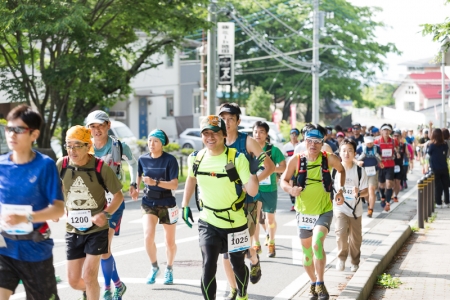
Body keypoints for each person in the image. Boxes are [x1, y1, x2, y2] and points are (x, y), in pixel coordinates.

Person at [181, 115, 261, 300]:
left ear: (224, 134)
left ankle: (242, 295)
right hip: (208, 221)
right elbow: (191, 179)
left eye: (214, 133)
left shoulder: (236, 158)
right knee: (208, 264)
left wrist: (253, 173)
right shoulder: (196, 158)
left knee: (237, 264)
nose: (210, 137)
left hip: (236, 222)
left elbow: (252, 190)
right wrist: (185, 205)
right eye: (206, 133)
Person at [0, 105, 65, 300]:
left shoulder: (45, 165)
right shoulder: (1, 165)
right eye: (9, 129)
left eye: (19, 130)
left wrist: (26, 217)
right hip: (4, 248)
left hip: (36, 250)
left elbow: (58, 210)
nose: (12, 134)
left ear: (34, 134)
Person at [57, 126, 124, 300]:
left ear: (88, 146)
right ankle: (91, 290)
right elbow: (52, 189)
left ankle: (92, 288)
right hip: (73, 229)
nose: (72, 150)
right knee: (73, 281)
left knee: (89, 275)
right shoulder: (62, 164)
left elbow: (118, 196)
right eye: (68, 145)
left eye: (77, 145)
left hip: (96, 229)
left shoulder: (101, 167)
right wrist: (56, 206)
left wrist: (106, 214)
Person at [280, 123, 346, 300]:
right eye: (310, 141)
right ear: (305, 141)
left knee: (318, 243)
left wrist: (339, 190)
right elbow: (284, 180)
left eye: (317, 141)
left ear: (322, 142)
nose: (313, 145)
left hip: (324, 209)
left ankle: (321, 283)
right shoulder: (296, 159)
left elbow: (341, 170)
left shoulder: (328, 158)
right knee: (307, 253)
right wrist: (290, 190)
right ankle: (312, 282)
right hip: (303, 212)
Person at [218, 103, 275, 299]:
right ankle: (234, 288)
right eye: (223, 119)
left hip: (247, 203)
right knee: (227, 250)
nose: (226, 123)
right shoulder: (216, 141)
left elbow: (269, 166)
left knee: (236, 249)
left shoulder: (247, 142)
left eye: (230, 119)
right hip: (224, 204)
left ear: (238, 121)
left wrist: (252, 182)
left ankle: (252, 261)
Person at [85, 110, 139, 299]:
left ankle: (107, 289)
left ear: (108, 125)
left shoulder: (119, 146)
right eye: (93, 126)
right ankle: (117, 284)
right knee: (96, 249)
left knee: (104, 248)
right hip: (91, 202)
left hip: (113, 201)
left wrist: (133, 184)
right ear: (88, 128)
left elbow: (133, 163)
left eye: (101, 125)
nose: (97, 130)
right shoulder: (85, 147)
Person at [135, 129, 179, 285]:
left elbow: (174, 184)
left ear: (162, 144)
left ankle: (169, 268)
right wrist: (135, 188)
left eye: (155, 141)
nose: (151, 144)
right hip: (149, 202)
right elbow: (138, 174)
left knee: (170, 242)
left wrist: (156, 183)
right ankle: (154, 267)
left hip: (167, 202)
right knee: (148, 237)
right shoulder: (142, 159)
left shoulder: (170, 160)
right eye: (149, 141)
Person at [251, 121, 286, 258]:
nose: (257, 134)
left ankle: (271, 242)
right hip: (255, 188)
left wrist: (270, 169)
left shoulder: (273, 150)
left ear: (266, 134)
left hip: (270, 189)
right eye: (255, 132)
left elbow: (284, 167)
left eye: (261, 132)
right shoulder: (249, 149)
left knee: (270, 219)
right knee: (254, 218)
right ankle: (256, 244)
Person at [334, 139, 368, 273]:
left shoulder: (360, 171)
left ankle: (354, 261)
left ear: (354, 153)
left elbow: (366, 192)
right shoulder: (334, 170)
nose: (346, 153)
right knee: (341, 232)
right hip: (340, 208)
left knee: (356, 238)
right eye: (344, 150)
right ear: (340, 153)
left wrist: (358, 192)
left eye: (350, 150)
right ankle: (341, 258)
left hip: (355, 210)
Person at [355, 135, 382, 218]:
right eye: (368, 143)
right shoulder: (360, 147)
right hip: (364, 171)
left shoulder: (377, 148)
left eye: (371, 143)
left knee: (371, 189)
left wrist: (380, 162)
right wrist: (357, 162)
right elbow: (354, 157)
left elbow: (380, 157)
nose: (369, 144)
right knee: (365, 191)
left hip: (374, 170)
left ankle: (370, 209)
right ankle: (369, 203)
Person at [374, 124, 398, 212]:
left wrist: (396, 153)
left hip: (390, 165)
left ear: (390, 131)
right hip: (381, 165)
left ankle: (388, 202)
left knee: (389, 184)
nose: (386, 132)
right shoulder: (377, 141)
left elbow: (396, 148)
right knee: (381, 185)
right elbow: (374, 152)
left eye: (388, 130)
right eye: (384, 130)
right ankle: (383, 197)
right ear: (381, 131)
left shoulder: (393, 141)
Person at [427, 128, 450, 208]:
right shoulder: (445, 145)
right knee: (445, 186)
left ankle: (439, 203)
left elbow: (428, 154)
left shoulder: (432, 145)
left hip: (435, 168)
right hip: (444, 167)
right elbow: (446, 154)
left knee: (437, 186)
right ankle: (447, 202)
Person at [282, 128, 301, 211]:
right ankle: (293, 203)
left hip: (299, 169)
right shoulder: (286, 147)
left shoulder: (300, 145)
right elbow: (283, 159)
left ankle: (298, 202)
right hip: (290, 169)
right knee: (290, 184)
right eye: (292, 134)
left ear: (297, 136)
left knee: (299, 185)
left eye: (295, 134)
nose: (293, 136)